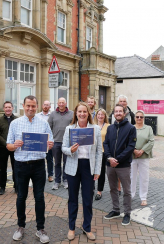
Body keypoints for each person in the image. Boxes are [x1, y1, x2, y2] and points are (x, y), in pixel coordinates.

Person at [7, 95, 54, 243]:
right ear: (23, 105)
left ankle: (40, 228)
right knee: (21, 196)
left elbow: (50, 141)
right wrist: (14, 145)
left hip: (39, 165)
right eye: (28, 106)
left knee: (39, 197)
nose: (30, 108)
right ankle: (20, 226)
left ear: (37, 107)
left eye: (33, 106)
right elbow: (8, 145)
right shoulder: (15, 123)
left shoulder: (43, 123)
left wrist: (50, 145)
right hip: (21, 165)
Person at [61, 102, 102, 241]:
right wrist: (70, 150)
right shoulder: (69, 129)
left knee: (88, 199)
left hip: (88, 167)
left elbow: (98, 152)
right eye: (79, 112)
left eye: (84, 111)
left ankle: (87, 227)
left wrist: (97, 170)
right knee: (72, 199)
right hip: (73, 166)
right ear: (76, 113)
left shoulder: (95, 129)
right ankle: (71, 228)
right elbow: (63, 148)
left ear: (88, 113)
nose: (82, 114)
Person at [103, 104, 136, 226]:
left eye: (120, 111)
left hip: (123, 165)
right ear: (114, 113)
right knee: (112, 188)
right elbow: (105, 144)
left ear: (124, 113)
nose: (118, 113)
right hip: (110, 164)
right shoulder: (110, 128)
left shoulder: (131, 128)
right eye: (116, 111)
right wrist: (109, 158)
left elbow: (130, 147)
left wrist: (117, 159)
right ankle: (116, 210)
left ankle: (127, 213)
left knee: (126, 190)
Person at [48, 97, 74, 190]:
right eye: (60, 102)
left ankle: (65, 180)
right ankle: (57, 181)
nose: (61, 104)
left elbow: (74, 127)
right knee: (57, 163)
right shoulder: (53, 114)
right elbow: (49, 128)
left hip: (67, 143)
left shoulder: (71, 113)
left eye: (63, 102)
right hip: (56, 142)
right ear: (57, 103)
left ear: (66, 103)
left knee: (67, 163)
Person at [131, 110, 154, 206]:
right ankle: (131, 195)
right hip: (132, 156)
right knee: (131, 177)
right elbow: (127, 140)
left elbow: (151, 141)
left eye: (141, 117)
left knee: (144, 177)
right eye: (137, 117)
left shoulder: (148, 128)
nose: (139, 118)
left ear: (144, 118)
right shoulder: (131, 128)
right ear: (134, 118)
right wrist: (134, 150)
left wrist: (141, 151)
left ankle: (143, 197)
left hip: (144, 156)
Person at [0, 101, 18, 195]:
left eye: (9, 107)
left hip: (15, 148)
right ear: (4, 109)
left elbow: (19, 133)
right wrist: (6, 143)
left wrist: (13, 144)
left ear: (12, 108)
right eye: (6, 107)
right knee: (3, 168)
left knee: (15, 168)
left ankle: (17, 186)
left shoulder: (17, 120)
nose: (8, 109)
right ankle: (2, 187)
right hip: (3, 148)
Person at [36, 100, 54, 182]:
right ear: (42, 106)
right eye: (44, 105)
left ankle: (50, 175)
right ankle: (39, 175)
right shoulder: (37, 116)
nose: (46, 106)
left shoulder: (52, 115)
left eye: (47, 105)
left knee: (49, 159)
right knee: (39, 158)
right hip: (39, 140)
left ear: (50, 107)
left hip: (48, 140)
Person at [94, 108, 110, 200]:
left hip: (103, 152)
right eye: (99, 114)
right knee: (91, 171)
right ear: (96, 116)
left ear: (105, 116)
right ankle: (91, 187)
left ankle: (99, 191)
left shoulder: (108, 126)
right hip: (93, 152)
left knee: (101, 172)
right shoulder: (92, 125)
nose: (100, 116)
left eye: (102, 114)